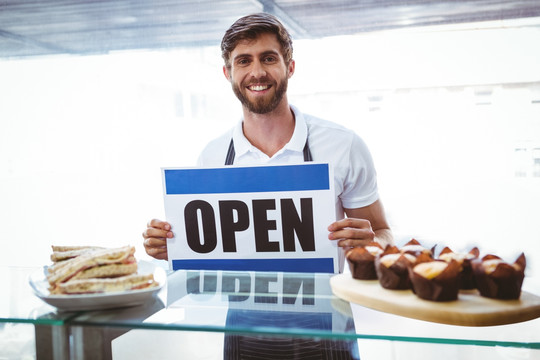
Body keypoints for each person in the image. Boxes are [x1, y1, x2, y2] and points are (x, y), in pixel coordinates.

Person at [142, 12, 393, 269]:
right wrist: (170, 244)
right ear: (227, 73)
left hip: (328, 307)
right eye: (243, 61)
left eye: (269, 58)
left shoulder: (343, 145)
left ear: (290, 67)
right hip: (237, 306)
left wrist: (372, 244)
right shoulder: (212, 157)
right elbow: (208, 256)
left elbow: (383, 232)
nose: (257, 72)